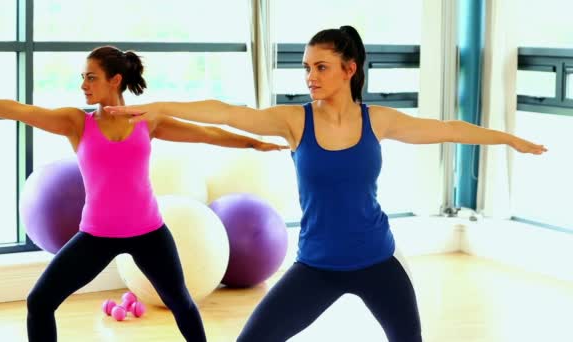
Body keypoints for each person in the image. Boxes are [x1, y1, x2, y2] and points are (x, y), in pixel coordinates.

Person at [105, 26, 547, 342]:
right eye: (306, 67)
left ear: (349, 69)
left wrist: (508, 138)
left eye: (321, 66)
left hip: (378, 262)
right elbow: (226, 112)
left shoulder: (379, 120)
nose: (310, 76)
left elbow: (447, 127)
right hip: (316, 267)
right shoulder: (296, 120)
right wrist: (156, 107)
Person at [0, 45, 287, 342]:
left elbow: (205, 134)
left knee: (181, 302)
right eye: (83, 78)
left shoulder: (148, 120)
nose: (84, 85)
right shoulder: (77, 123)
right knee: (40, 301)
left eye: (91, 77)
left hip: (149, 232)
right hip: (96, 236)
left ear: (115, 80)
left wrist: (253, 142)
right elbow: (18, 110)